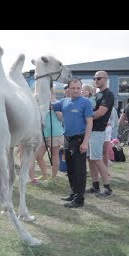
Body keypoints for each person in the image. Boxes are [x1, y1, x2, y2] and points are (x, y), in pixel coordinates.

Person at [52, 78, 93, 208]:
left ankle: (79, 199)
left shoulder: (85, 102)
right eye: (73, 88)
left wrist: (85, 142)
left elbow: (89, 123)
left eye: (78, 88)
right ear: (68, 89)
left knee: (79, 170)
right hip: (67, 138)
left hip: (79, 139)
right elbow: (49, 105)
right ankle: (73, 193)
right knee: (70, 169)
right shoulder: (64, 101)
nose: (75, 90)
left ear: (81, 88)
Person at [87, 71, 114, 197]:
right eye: (94, 78)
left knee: (97, 159)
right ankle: (95, 185)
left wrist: (84, 116)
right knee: (91, 159)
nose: (96, 80)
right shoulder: (97, 94)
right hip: (90, 130)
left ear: (105, 79)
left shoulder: (108, 94)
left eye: (98, 78)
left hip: (97, 131)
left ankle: (107, 188)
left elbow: (100, 113)